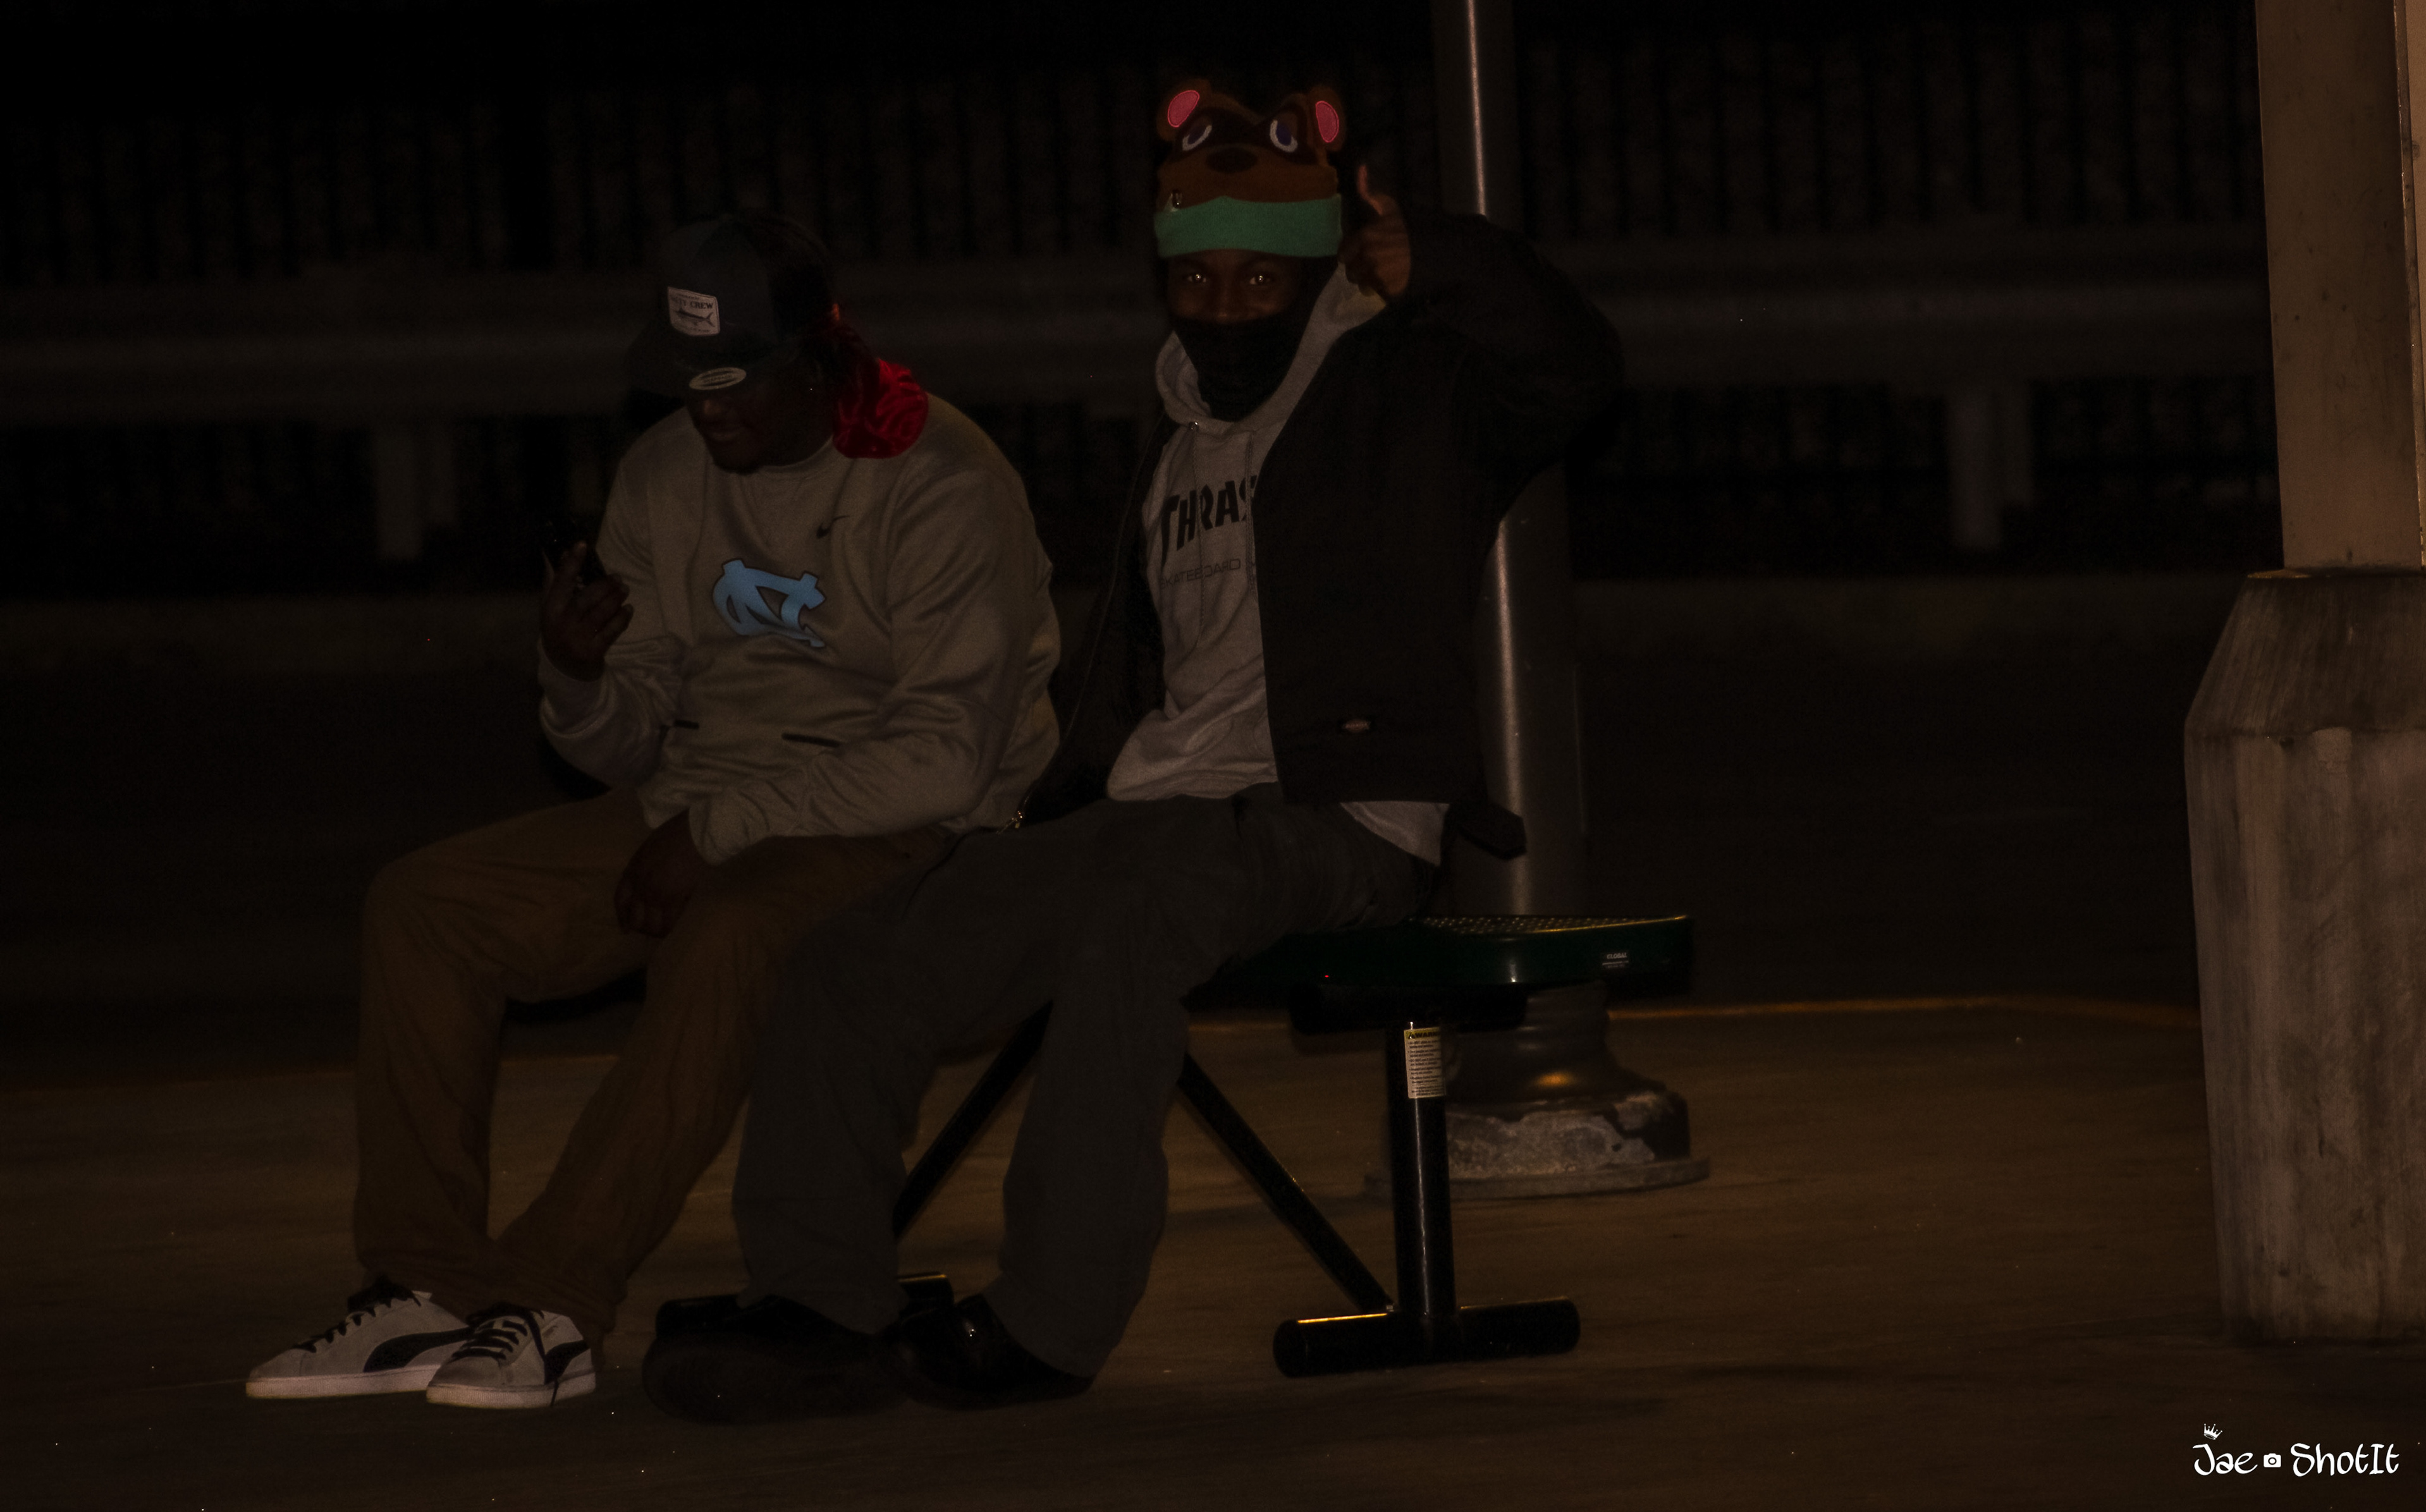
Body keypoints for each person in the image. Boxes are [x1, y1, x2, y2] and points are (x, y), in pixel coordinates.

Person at [642, 83, 1624, 1424]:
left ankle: (1048, 1318)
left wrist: (1446, 261)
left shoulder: (1405, 386)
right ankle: (819, 1301)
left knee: (1132, 926)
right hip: (1163, 811)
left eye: (1258, 278)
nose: (1223, 305)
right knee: (856, 957)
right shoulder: (1180, 431)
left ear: (1315, 271)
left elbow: (1575, 373)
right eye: (1196, 277)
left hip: (1337, 813)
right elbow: (1150, 677)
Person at [243, 211, 1060, 1410]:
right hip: (703, 794)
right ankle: (426, 1288)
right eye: (685, 376)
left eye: (734, 378)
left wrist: (715, 834)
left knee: (727, 934)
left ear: (818, 358)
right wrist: (579, 678)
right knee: (425, 906)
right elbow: (629, 742)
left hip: (905, 823)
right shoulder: (667, 473)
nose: (705, 406)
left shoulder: (940, 479)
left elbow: (943, 759)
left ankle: (552, 1302)